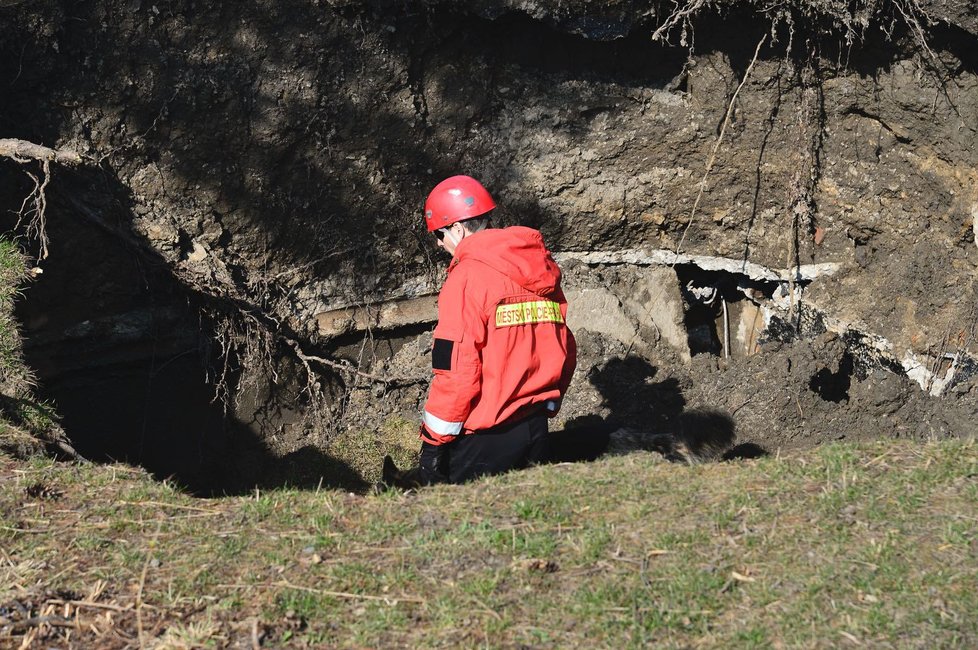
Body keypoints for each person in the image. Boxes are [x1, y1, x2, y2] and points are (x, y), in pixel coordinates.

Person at [392, 174, 577, 485]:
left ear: (459, 228)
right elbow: (564, 347)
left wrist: (433, 443)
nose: (438, 243)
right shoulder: (538, 267)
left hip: (487, 437)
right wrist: (548, 402)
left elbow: (456, 370)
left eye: (439, 233)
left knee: (461, 525)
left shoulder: (466, 279)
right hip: (535, 427)